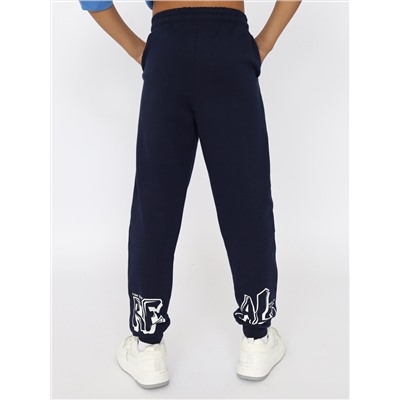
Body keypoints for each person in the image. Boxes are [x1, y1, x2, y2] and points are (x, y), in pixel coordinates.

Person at [79, 0, 301, 389]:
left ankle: (147, 344)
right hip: (230, 44)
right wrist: (264, 43)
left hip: (168, 47)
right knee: (245, 197)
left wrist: (138, 50)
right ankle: (257, 337)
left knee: (156, 200)